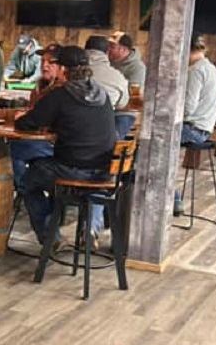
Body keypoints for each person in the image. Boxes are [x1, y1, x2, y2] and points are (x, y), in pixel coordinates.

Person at [14, 46, 117, 247]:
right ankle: (90, 230)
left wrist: (22, 118)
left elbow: (27, 123)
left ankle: (50, 237)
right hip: (103, 172)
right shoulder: (102, 94)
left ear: (62, 69)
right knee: (82, 181)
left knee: (28, 180)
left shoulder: (61, 95)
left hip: (71, 171)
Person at [175, 36, 216, 214]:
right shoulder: (211, 68)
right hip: (203, 129)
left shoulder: (195, 71)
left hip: (192, 129)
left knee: (147, 147)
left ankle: (173, 200)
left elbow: (188, 108)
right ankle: (173, 199)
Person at [9, 44, 64, 195]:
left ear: (62, 67)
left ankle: (24, 190)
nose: (44, 66)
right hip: (38, 139)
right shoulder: (40, 86)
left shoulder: (61, 90)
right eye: (42, 61)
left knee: (12, 150)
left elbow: (38, 119)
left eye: (51, 62)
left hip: (54, 146)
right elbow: (30, 113)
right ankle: (27, 190)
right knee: (15, 146)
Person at [83, 35, 129, 110]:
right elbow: (122, 104)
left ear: (84, 49)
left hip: (74, 118)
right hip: (105, 119)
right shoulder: (119, 77)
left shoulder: (72, 72)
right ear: (107, 52)